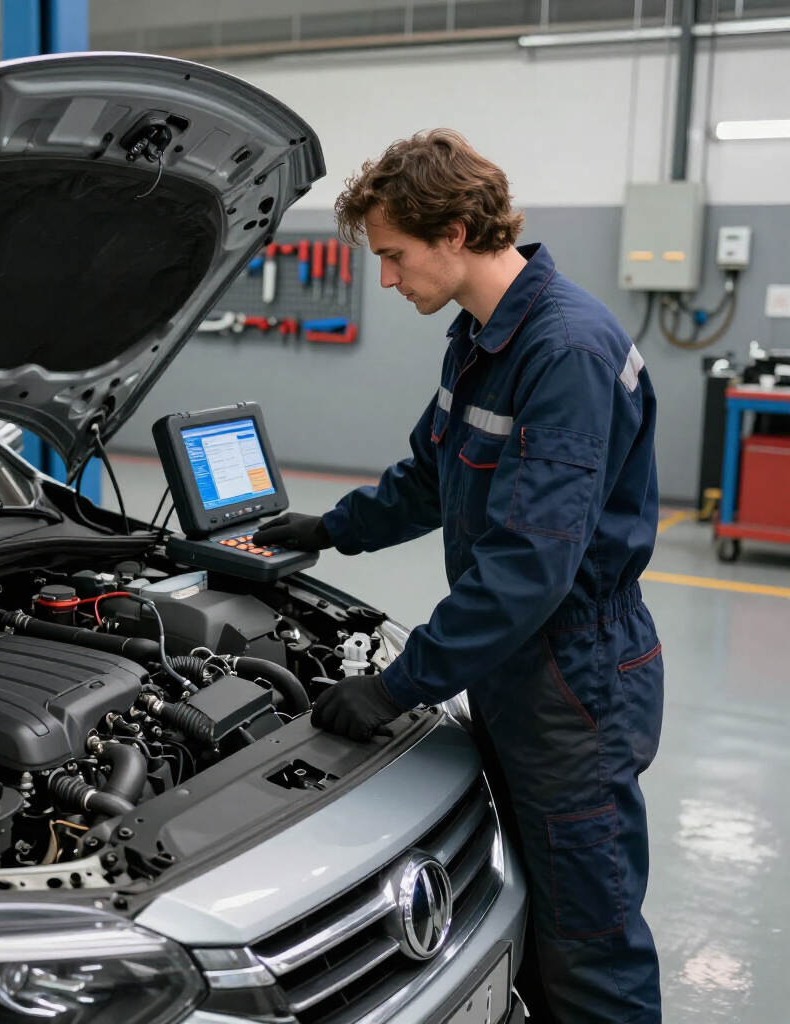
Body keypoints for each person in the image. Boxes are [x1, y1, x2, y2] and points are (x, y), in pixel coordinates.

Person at [253, 130, 663, 1024]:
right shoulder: (483, 337)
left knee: (590, 940)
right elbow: (432, 475)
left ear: (457, 230)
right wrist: (331, 528)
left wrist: (401, 684)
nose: (390, 281)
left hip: (574, 677)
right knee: (528, 909)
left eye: (395, 257)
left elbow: (530, 567)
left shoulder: (565, 353)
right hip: (518, 667)